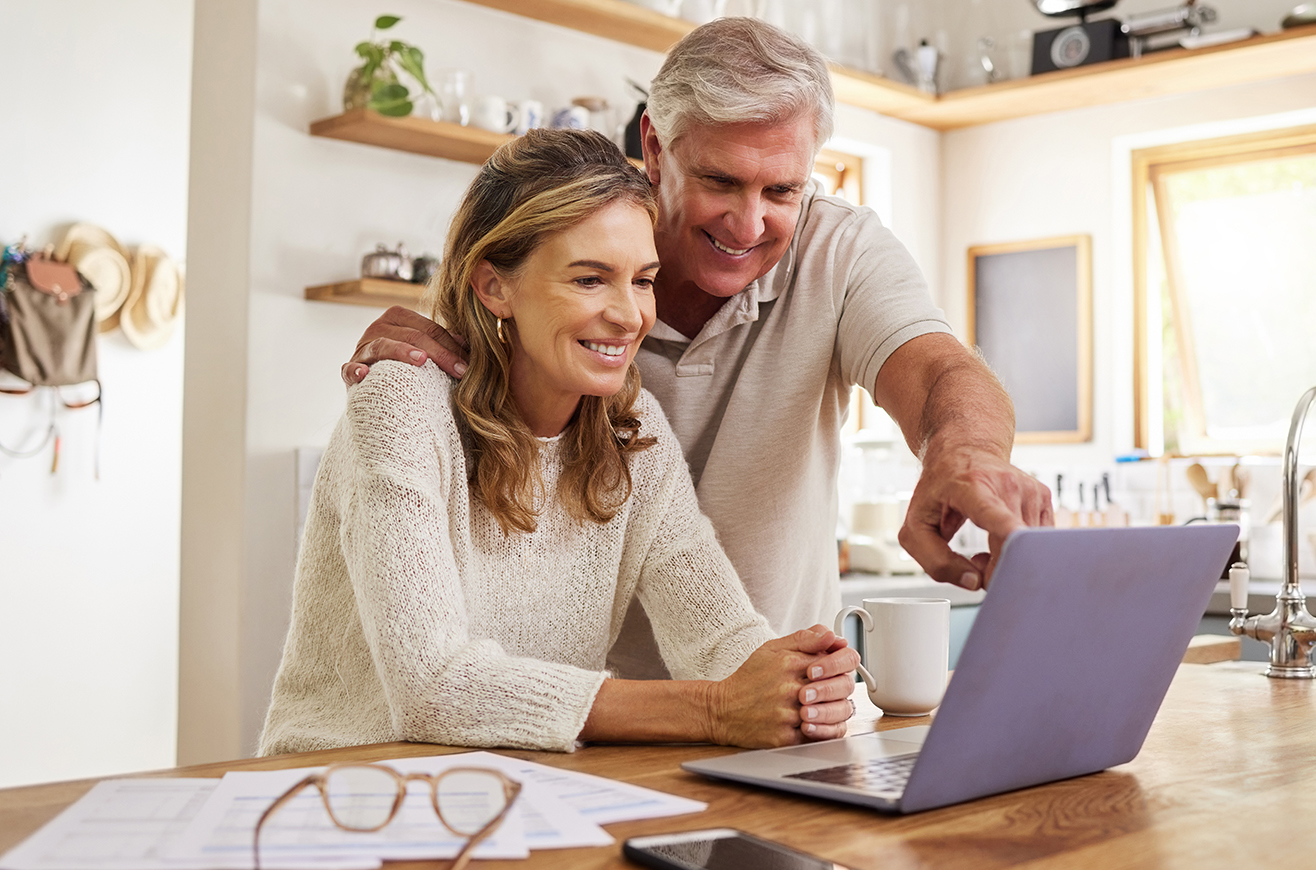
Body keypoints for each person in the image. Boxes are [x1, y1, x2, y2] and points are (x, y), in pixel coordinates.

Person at [341, 18, 1053, 680]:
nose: (749, 223)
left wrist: (965, 454)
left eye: (783, 189)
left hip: (751, 703)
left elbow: (938, 372)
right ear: (654, 147)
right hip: (567, 717)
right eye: (720, 180)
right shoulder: (562, 272)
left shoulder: (839, 252)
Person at [259, 130, 858, 756]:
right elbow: (432, 688)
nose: (630, 316)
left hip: (522, 796)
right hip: (342, 799)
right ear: (494, 286)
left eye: (643, 280)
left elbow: (721, 643)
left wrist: (798, 681)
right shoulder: (402, 404)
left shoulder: (634, 432)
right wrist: (715, 709)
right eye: (591, 279)